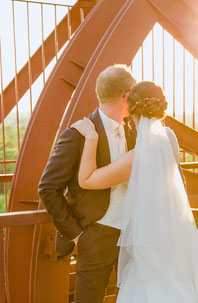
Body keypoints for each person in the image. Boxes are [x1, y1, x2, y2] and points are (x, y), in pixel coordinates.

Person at [71, 81, 198, 302]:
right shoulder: (169, 139)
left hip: (149, 242)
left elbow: (87, 180)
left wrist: (91, 138)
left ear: (130, 109)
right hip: (176, 234)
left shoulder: (138, 156)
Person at [38, 64, 137, 303]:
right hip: (95, 235)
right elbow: (48, 187)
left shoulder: (135, 131)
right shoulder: (77, 135)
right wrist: (76, 234)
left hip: (134, 235)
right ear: (126, 95)